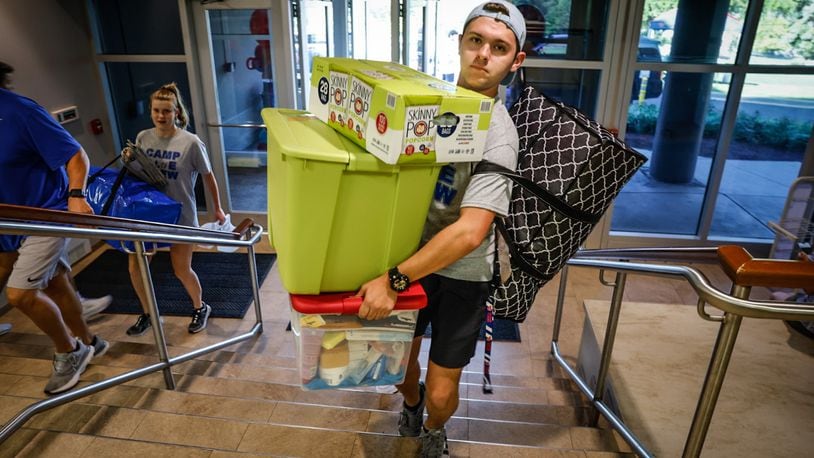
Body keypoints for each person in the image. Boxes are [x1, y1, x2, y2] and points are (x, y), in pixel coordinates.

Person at [355, 2, 526, 456]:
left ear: (515, 61)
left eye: (499, 47)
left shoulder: (500, 135)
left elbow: (471, 232)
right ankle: (410, 407)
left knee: (442, 393)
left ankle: (433, 426)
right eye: (476, 41)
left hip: (464, 273)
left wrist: (394, 279)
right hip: (409, 254)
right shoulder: (426, 106)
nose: (483, 55)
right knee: (397, 369)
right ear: (460, 43)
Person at [0, 61, 109, 395]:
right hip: (8, 220)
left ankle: (71, 351)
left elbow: (76, 156)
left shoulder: (19, 112)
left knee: (20, 294)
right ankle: (91, 341)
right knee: (58, 285)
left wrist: (76, 196)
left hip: (45, 215)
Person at [126, 83, 226, 337]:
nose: (161, 116)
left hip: (180, 215)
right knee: (136, 267)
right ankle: (148, 313)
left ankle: (200, 306)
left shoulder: (190, 142)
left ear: (177, 113)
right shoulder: (143, 138)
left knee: (181, 268)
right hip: (148, 214)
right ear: (150, 111)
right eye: (157, 110)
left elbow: (208, 176)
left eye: (167, 111)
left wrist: (218, 208)